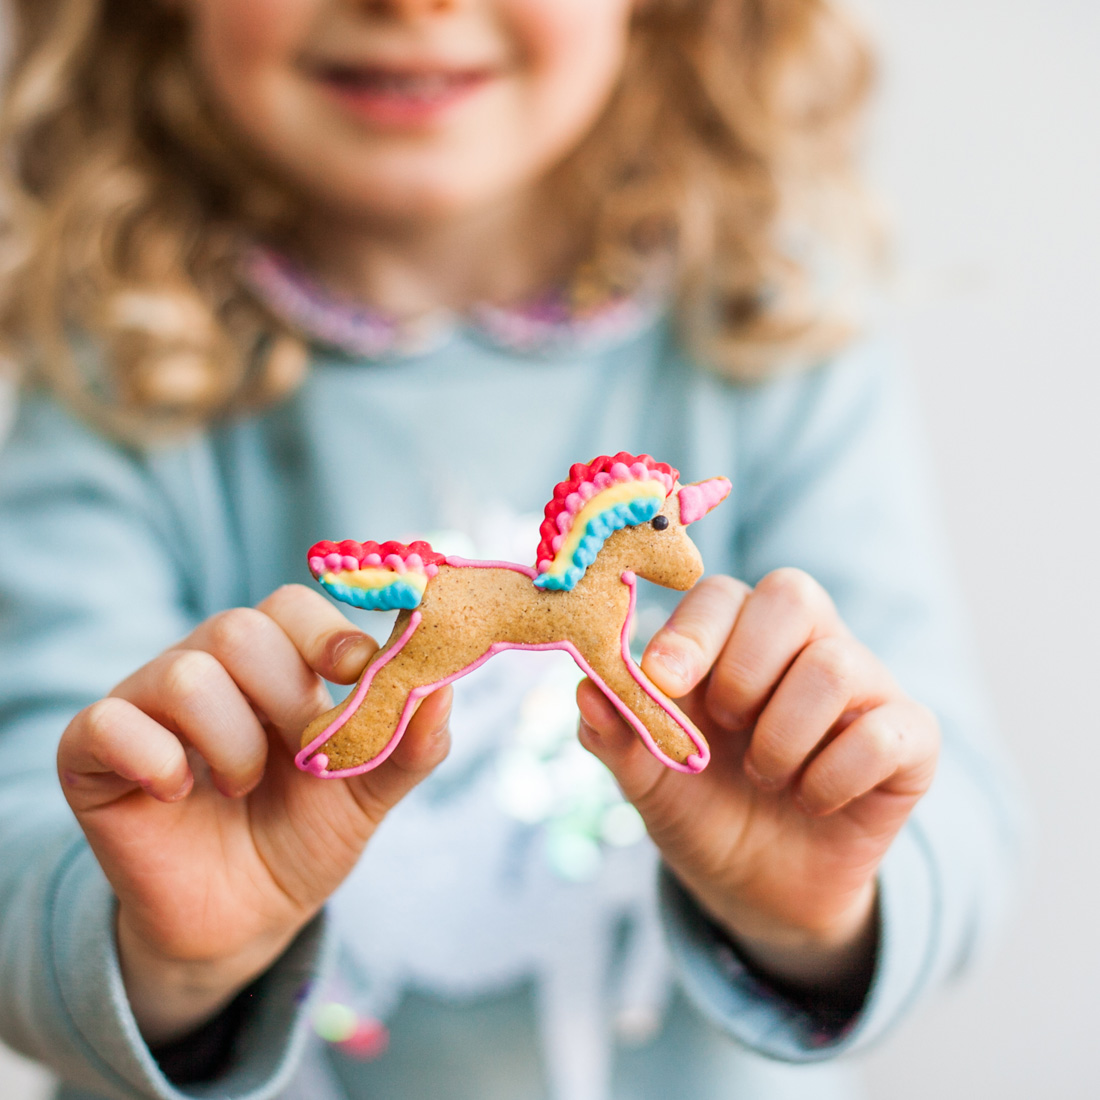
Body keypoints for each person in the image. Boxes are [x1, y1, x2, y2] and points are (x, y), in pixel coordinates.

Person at [0, 1, 1020, 1098]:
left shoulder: (776, 330)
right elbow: (26, 833)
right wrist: (169, 950)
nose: (412, 4)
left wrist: (824, 904)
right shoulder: (116, 381)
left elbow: (949, 798)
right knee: (403, 673)